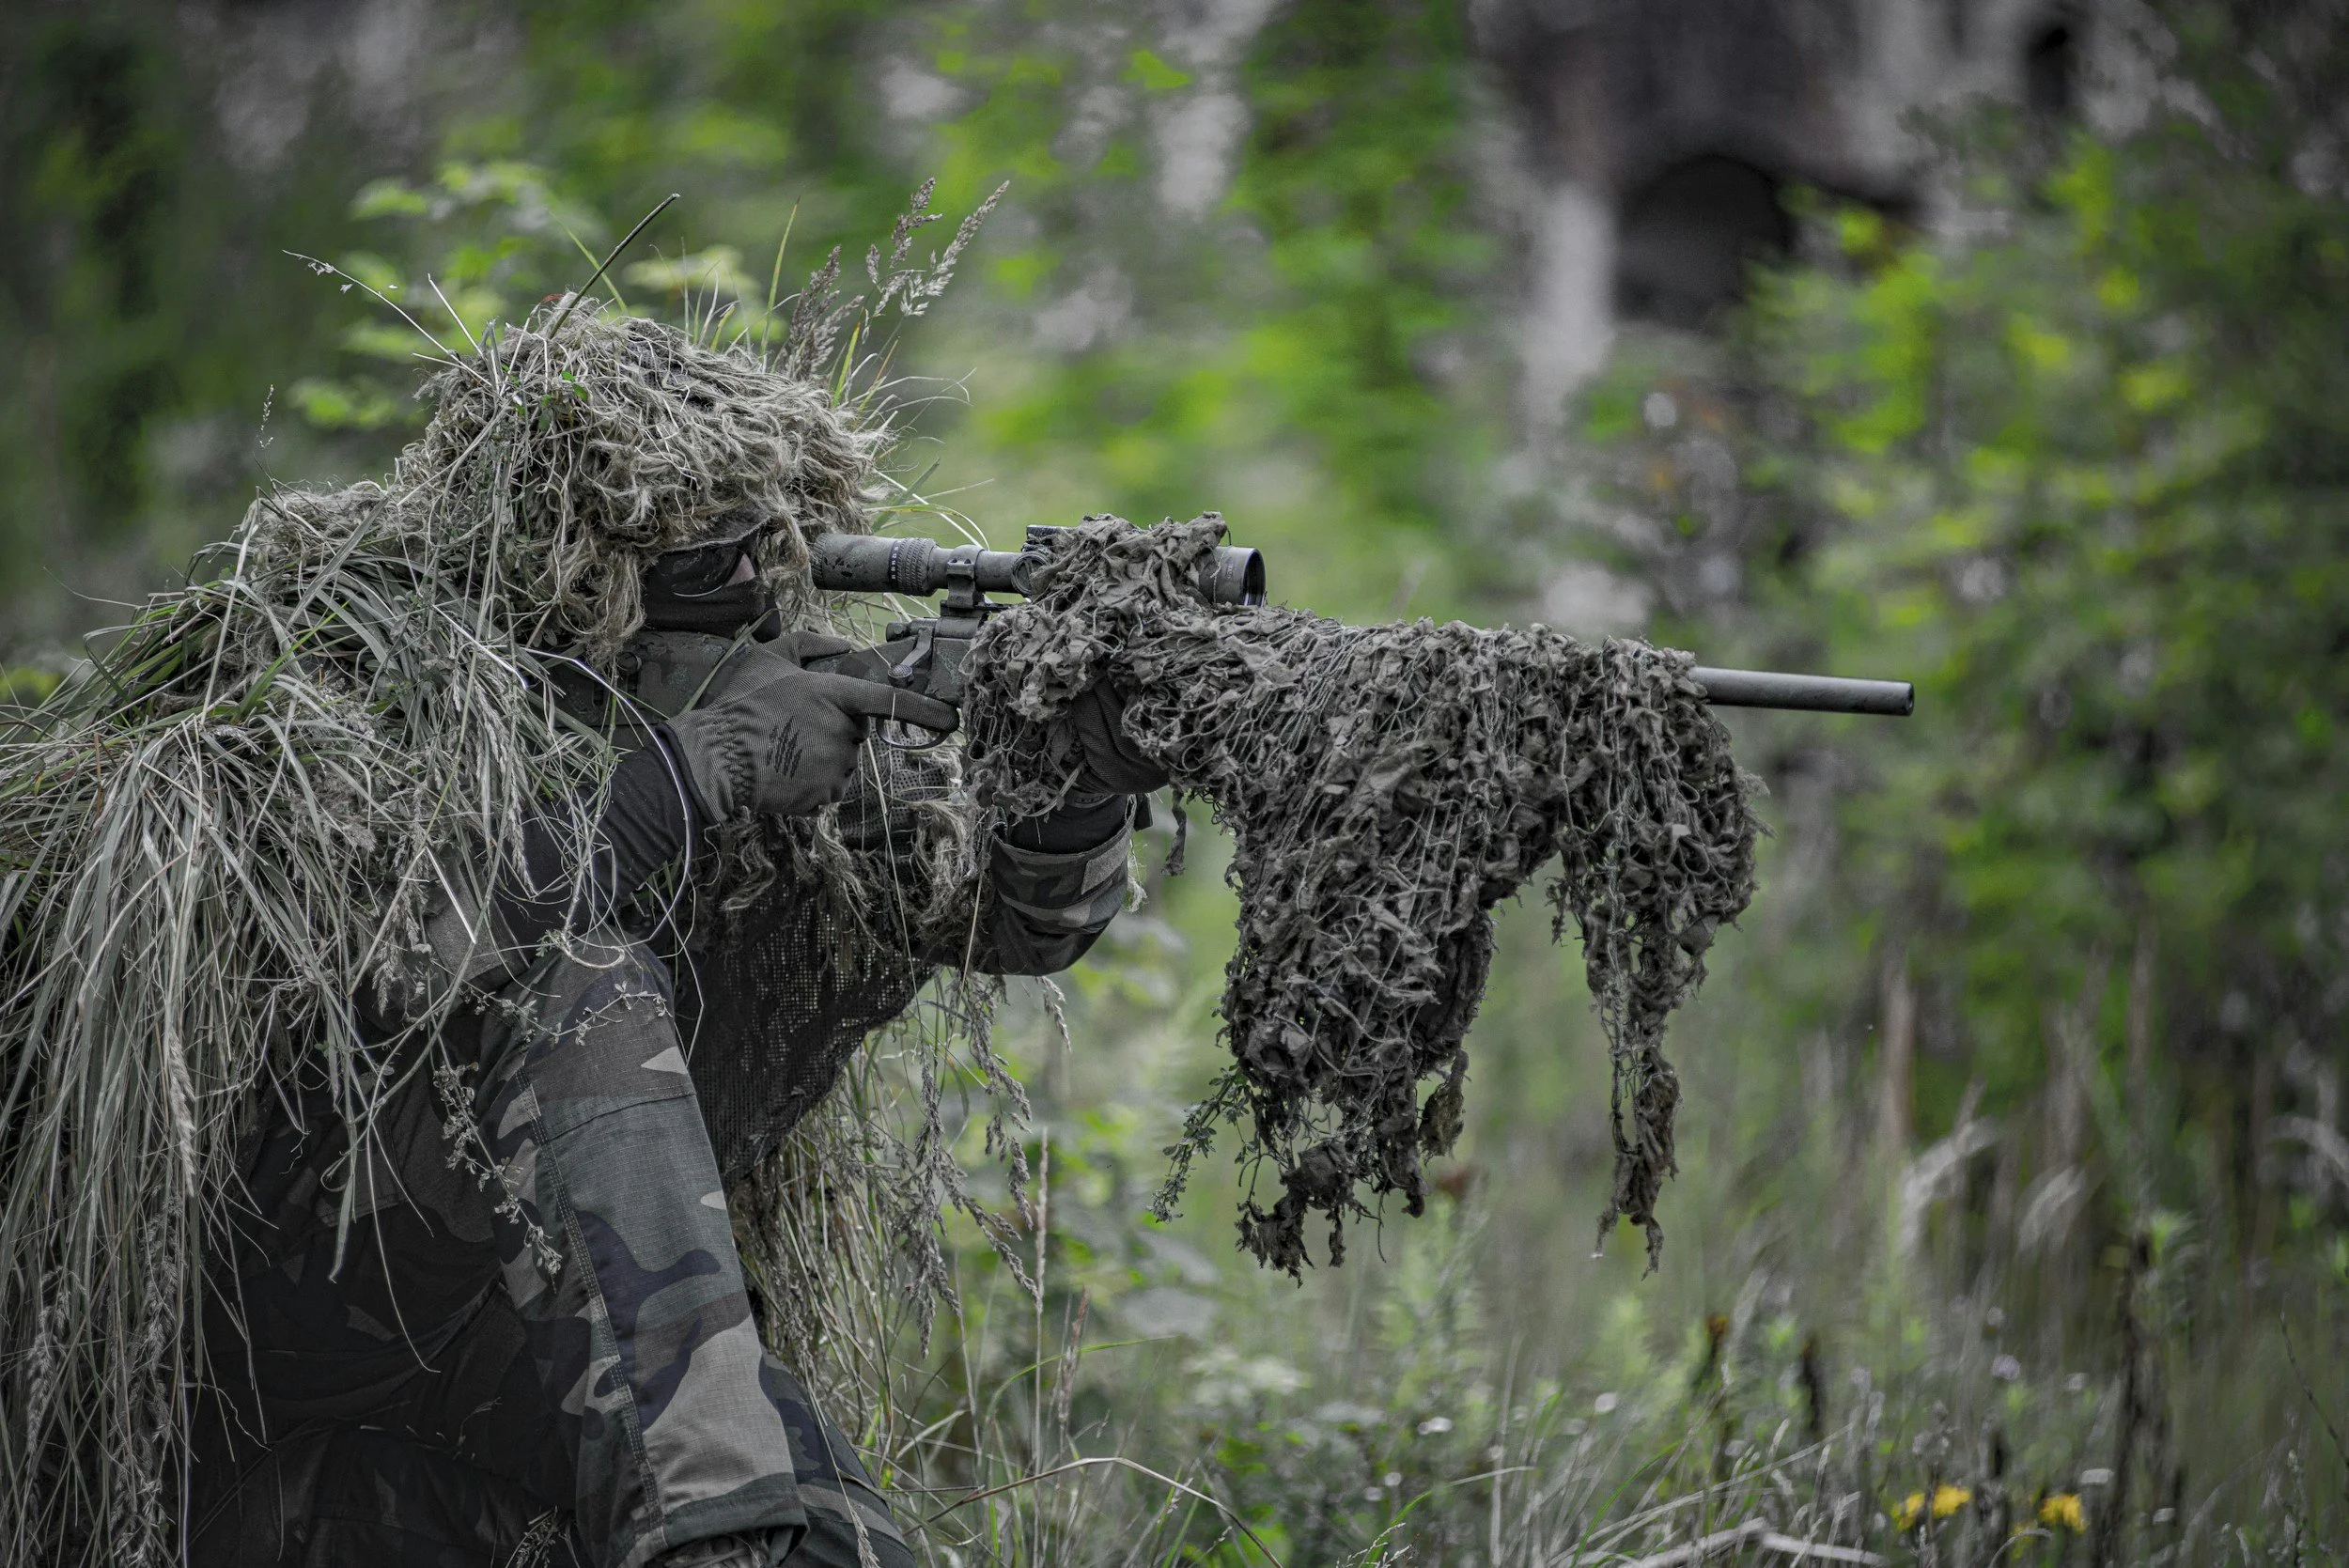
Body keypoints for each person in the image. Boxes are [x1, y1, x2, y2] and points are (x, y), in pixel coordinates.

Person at [186, 507, 1168, 1568]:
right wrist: (683, 778)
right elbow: (390, 968)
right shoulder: (396, 685)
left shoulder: (778, 700)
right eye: (702, 554)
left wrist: (1073, 789)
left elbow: (1007, 922)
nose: (749, 576)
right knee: (586, 985)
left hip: (483, 1359)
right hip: (264, 1349)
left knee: (832, 1541)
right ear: (578, 574)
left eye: (765, 543)